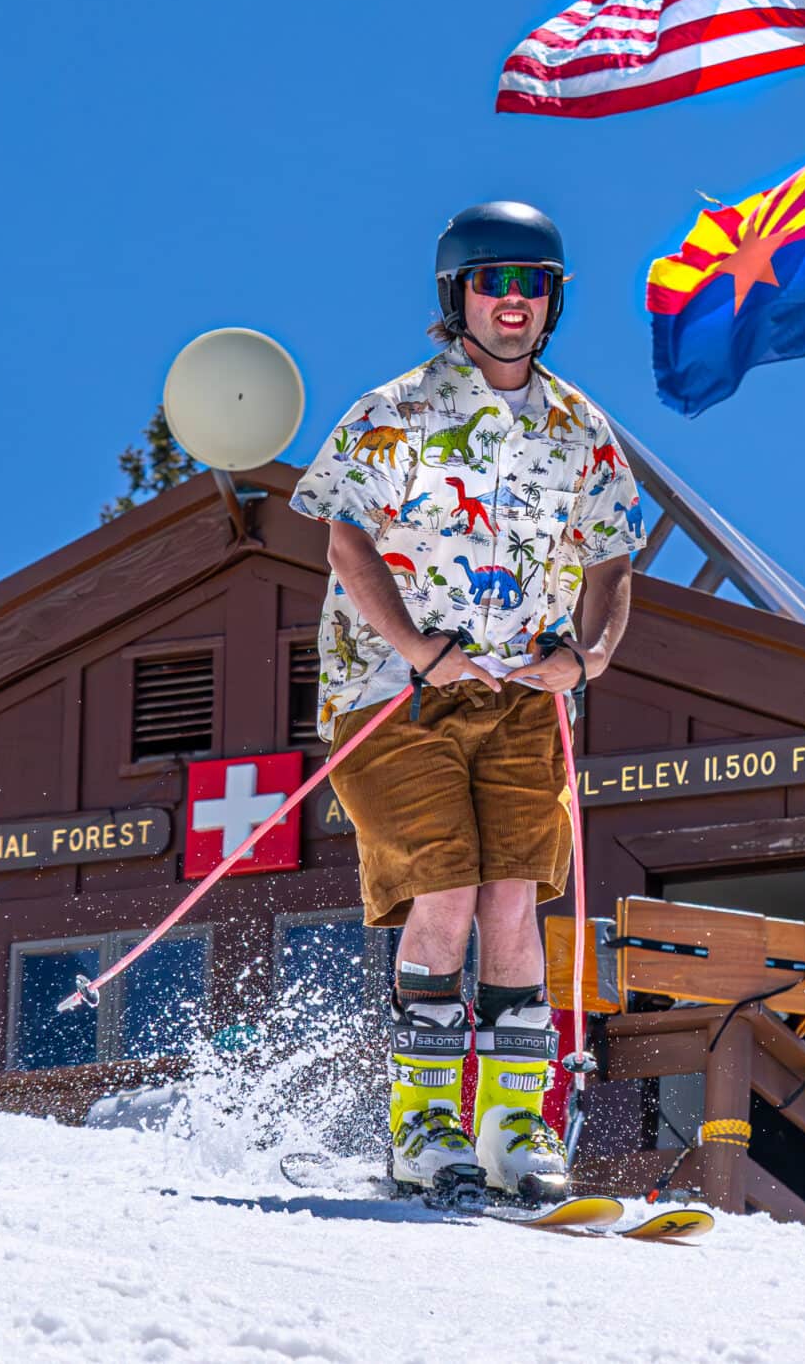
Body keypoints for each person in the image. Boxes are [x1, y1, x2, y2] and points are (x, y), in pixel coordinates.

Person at [288, 201, 645, 1198]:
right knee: (444, 886)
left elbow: (613, 555)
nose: (514, 302)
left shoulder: (581, 430)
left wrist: (590, 655)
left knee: (512, 894)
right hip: (393, 691)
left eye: (533, 285)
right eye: (494, 282)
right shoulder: (393, 410)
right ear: (458, 296)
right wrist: (416, 646)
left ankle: (515, 1127)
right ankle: (423, 1125)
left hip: (523, 690)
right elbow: (344, 537)